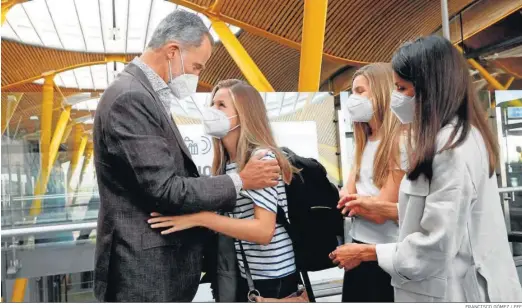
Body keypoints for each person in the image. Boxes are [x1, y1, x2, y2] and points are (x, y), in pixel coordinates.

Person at [93, 12, 280, 302]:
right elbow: (165, 188)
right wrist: (239, 181)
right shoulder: (131, 97)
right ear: (172, 52)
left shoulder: (142, 94)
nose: (196, 76)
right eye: (196, 66)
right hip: (145, 272)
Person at [331, 35, 522, 302]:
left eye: (401, 88)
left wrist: (367, 253)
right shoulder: (458, 137)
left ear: (428, 88)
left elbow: (435, 244)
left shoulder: (450, 148)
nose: (396, 98)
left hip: (456, 289)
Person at [147, 79, 300, 302]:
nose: (212, 111)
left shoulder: (260, 159)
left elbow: (263, 231)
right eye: (212, 104)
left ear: (244, 114)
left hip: (271, 277)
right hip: (243, 273)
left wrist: (201, 219)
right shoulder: (227, 163)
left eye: (221, 105)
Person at [339, 63, 406, 302]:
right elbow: (348, 196)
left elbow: (380, 212)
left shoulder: (400, 141)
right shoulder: (363, 141)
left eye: (360, 91)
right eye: (353, 92)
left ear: (381, 92)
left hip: (384, 254)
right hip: (358, 247)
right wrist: (358, 203)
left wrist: (356, 203)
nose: (353, 99)